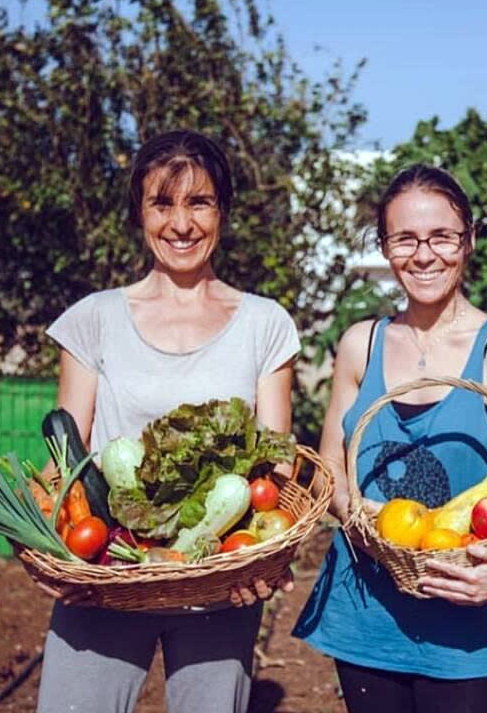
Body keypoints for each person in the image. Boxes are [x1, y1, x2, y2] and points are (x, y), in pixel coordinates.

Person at [36, 130, 300, 713]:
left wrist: (266, 554)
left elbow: (276, 468)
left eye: (199, 202)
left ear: (223, 211)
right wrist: (52, 550)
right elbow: (65, 463)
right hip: (108, 575)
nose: (181, 224)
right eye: (162, 203)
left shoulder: (265, 325)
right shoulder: (94, 319)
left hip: (219, 581)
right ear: (140, 211)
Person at [292, 164, 487, 712]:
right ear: (384, 247)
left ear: (468, 241)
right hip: (363, 621)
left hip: (461, 632)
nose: (424, 255)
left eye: (442, 236)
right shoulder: (361, 345)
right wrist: (362, 516)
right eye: (405, 239)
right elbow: (329, 468)